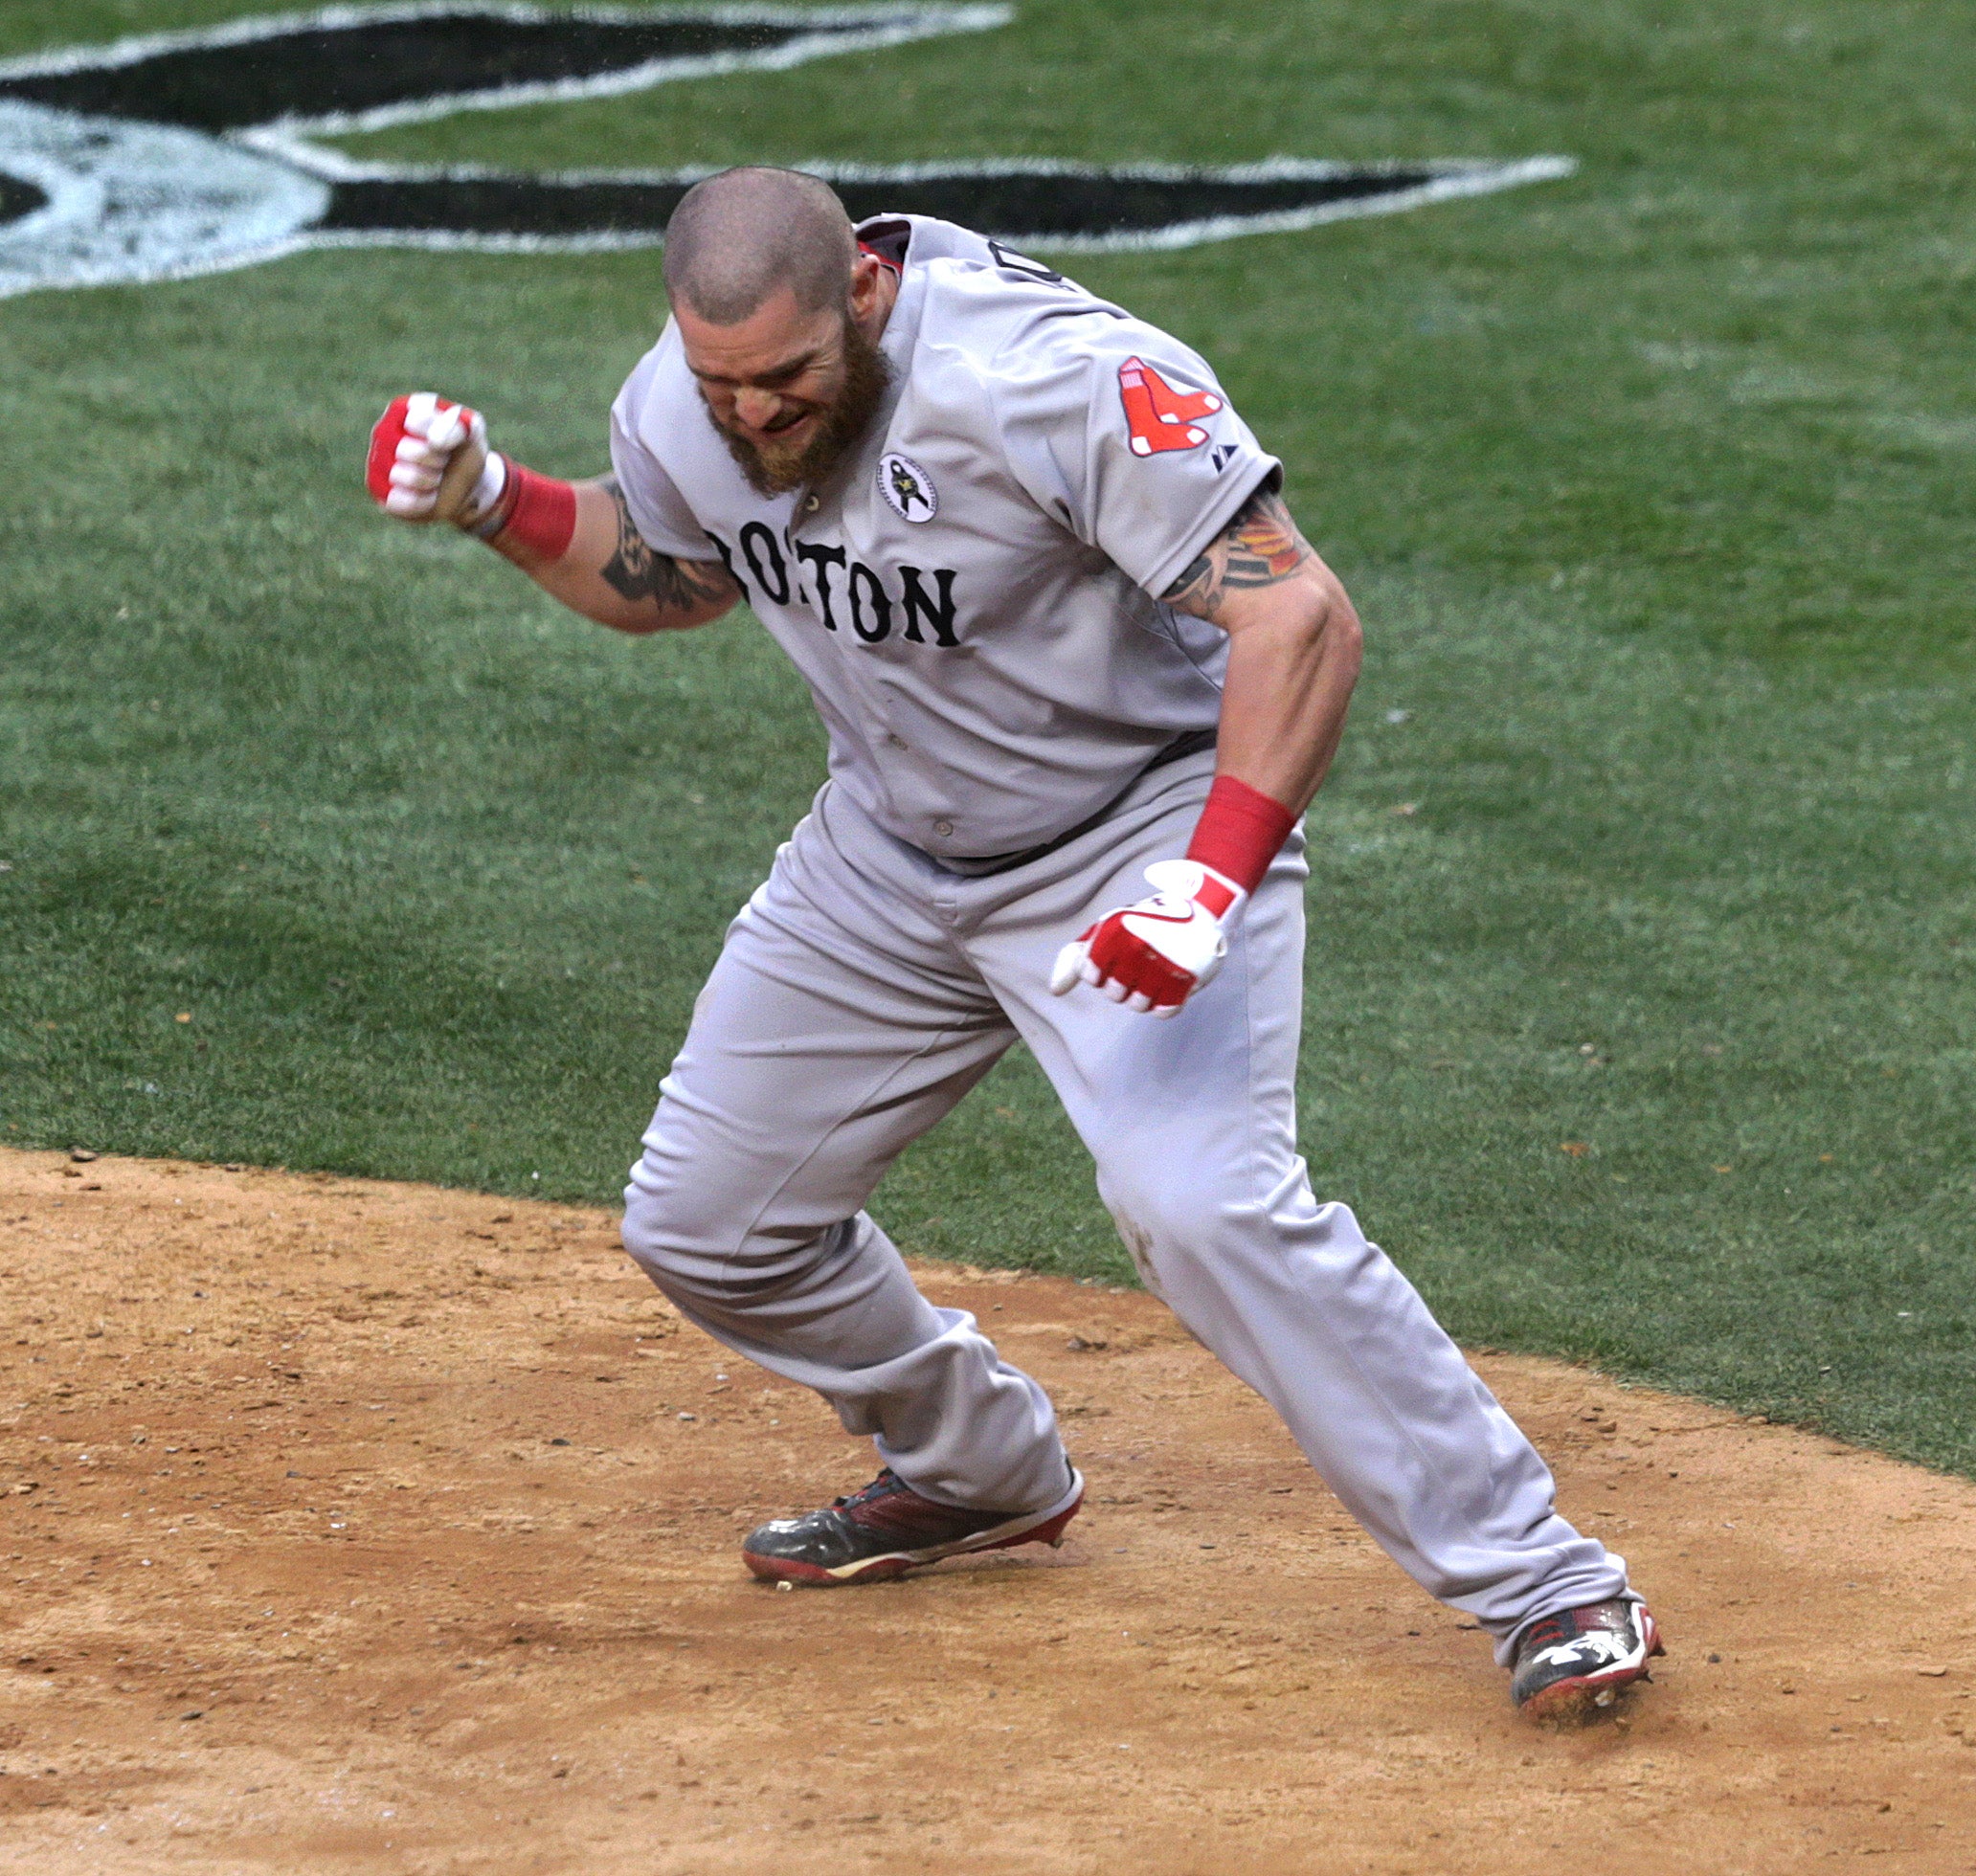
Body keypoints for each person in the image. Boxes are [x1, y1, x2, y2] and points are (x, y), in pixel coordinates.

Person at [366, 166, 1661, 1723]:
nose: (758, 421)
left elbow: (1300, 615)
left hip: (1139, 830)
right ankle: (978, 1467)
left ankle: (1545, 1577)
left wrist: (1208, 880)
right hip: (891, 853)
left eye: (785, 382)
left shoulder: (1056, 380)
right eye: (725, 388)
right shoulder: (684, 400)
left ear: (862, 289)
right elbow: (677, 575)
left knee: (1202, 1204)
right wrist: (496, 502)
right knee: (708, 1223)